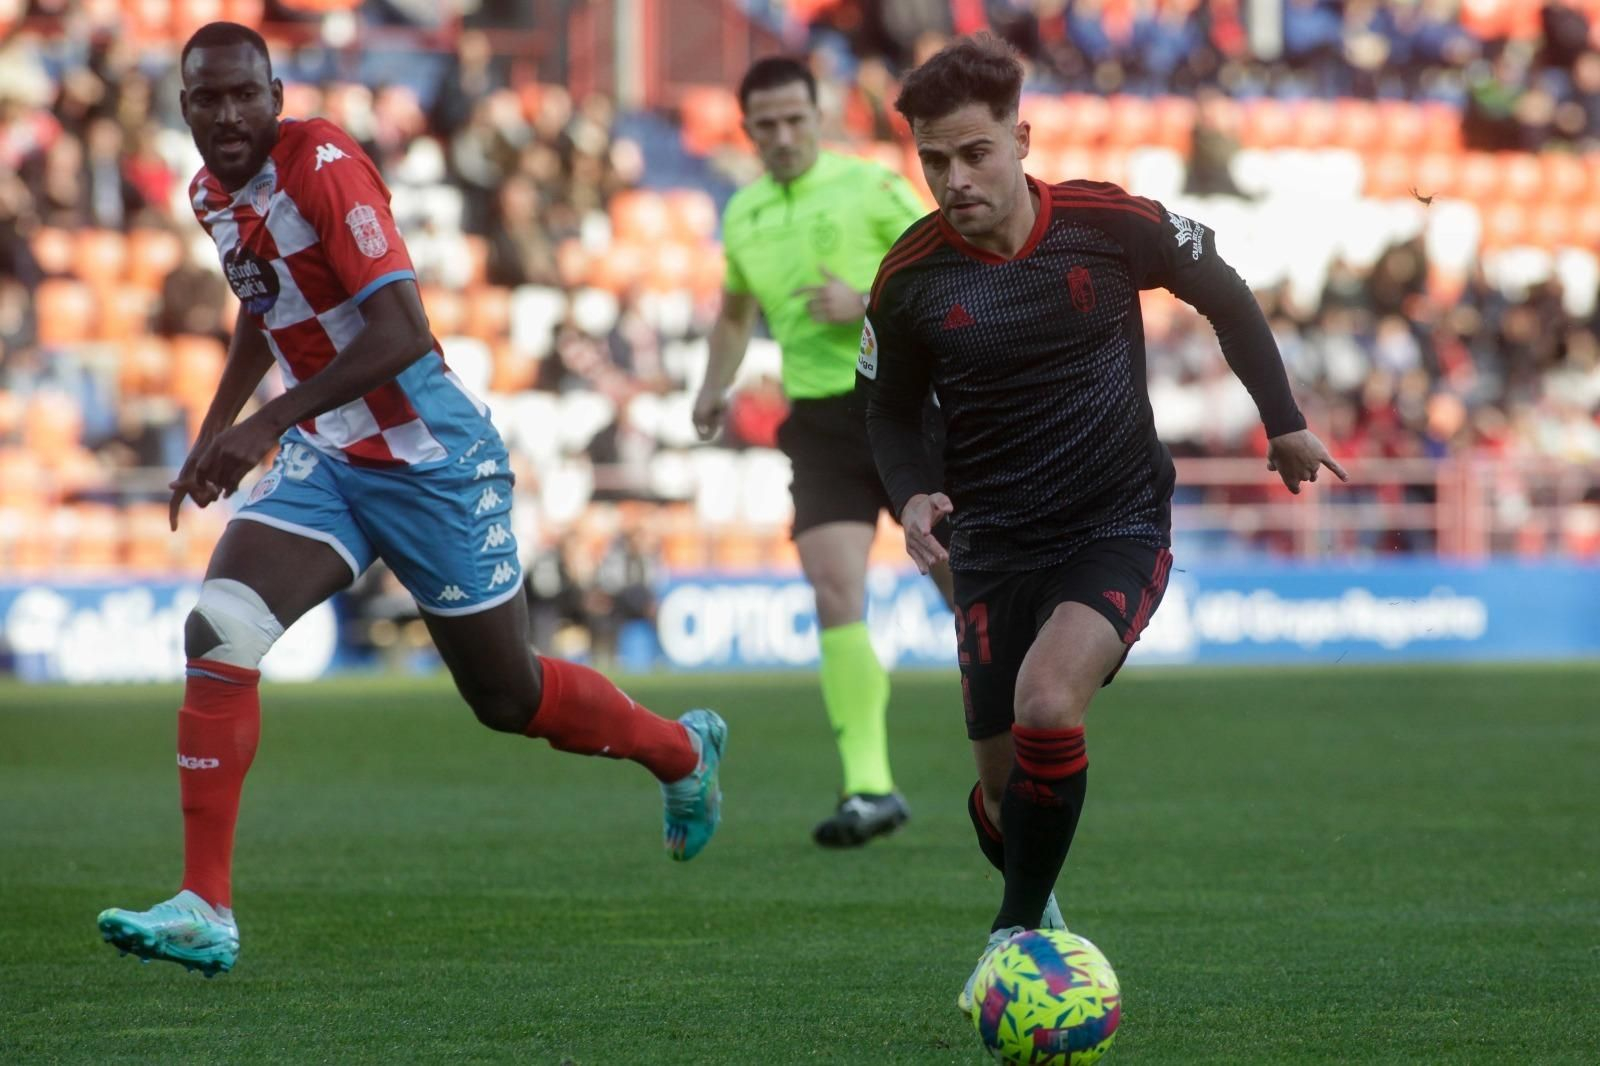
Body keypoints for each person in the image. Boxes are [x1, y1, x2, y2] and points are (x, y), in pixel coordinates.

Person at [96, 22, 726, 978]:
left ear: (275, 93)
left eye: (244, 95)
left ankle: (679, 751)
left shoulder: (326, 165)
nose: (227, 115)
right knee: (219, 626)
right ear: (182, 107)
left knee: (506, 696)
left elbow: (400, 330)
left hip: (430, 459)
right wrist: (218, 426)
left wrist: (264, 426)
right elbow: (264, 308)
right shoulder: (209, 195)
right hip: (330, 458)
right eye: (205, 99)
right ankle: (206, 905)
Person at [855, 34, 1348, 1011]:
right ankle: (1035, 908)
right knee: (1001, 790)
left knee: (1047, 702)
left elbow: (1225, 291)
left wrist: (1283, 420)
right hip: (989, 542)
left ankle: (1011, 936)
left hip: (1114, 520)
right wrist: (911, 493)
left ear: (1020, 137)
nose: (954, 179)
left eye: (974, 153)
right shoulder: (910, 277)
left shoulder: (1104, 223)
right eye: (933, 160)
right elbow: (885, 407)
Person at [693, 56, 947, 848]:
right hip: (819, 423)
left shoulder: (871, 187)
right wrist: (713, 385)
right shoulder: (743, 214)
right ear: (747, 131)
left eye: (794, 119)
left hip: (904, 408)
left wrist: (868, 299)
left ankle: (1025, 738)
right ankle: (870, 787)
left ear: (820, 112)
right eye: (765, 125)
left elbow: (950, 271)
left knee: (960, 582)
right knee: (835, 590)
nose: (781, 136)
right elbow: (735, 314)